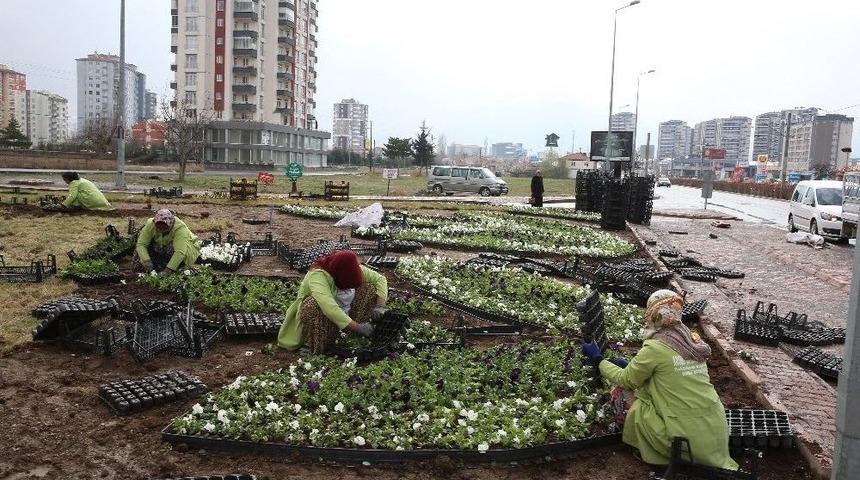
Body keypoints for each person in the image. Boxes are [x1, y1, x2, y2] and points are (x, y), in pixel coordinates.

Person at [582, 289, 737, 471]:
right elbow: (670, 371)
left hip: (684, 440)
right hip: (714, 433)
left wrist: (599, 360)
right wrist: (630, 364)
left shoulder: (656, 348)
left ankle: (654, 452)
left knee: (627, 398)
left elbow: (625, 380)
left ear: (653, 315)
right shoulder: (693, 341)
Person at [278, 249, 388, 354]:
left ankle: (349, 335)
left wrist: (380, 306)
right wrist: (357, 327)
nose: (347, 289)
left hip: (346, 315)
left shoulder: (351, 268)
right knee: (311, 305)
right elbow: (329, 308)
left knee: (369, 288)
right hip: (324, 321)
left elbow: (380, 279)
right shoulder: (318, 275)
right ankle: (316, 344)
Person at [133, 209, 200, 274]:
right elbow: (141, 244)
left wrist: (168, 270)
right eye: (159, 227)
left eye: (164, 227)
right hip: (162, 246)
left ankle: (174, 267)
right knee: (140, 250)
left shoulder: (180, 228)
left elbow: (180, 252)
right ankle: (154, 267)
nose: (161, 229)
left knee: (176, 268)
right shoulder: (151, 224)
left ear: (171, 224)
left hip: (185, 250)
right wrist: (146, 261)